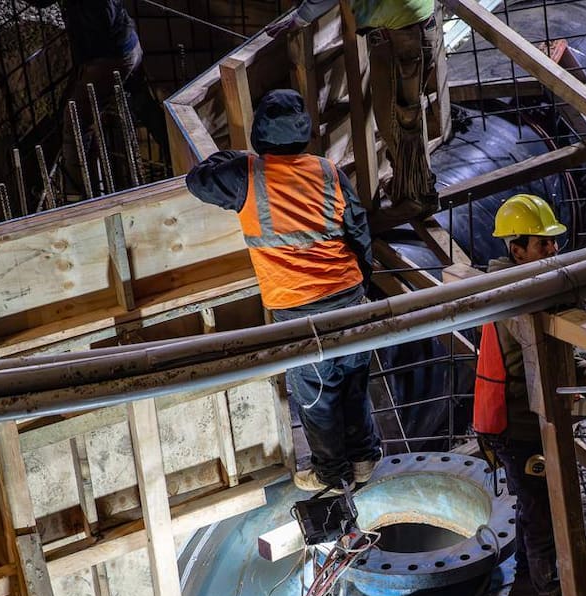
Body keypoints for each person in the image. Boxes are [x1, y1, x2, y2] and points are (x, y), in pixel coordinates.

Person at [185, 89, 381, 492]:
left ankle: (330, 472)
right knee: (354, 382)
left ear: (260, 132)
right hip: (348, 296)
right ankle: (364, 459)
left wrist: (240, 157)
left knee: (317, 396)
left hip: (297, 309)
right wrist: (361, 279)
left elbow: (197, 179)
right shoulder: (327, 170)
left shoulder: (247, 175)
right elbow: (358, 230)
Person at [475, 193, 586, 596]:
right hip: (521, 426)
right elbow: (540, 359)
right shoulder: (517, 300)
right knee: (544, 517)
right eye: (542, 244)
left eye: (554, 242)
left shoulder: (527, 288)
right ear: (516, 250)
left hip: (521, 420)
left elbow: (556, 357)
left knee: (536, 511)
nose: (554, 250)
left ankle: (527, 588)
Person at [267, 0, 449, 220]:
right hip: (410, 27)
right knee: (400, 118)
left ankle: (417, 200)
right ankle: (409, 189)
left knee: (398, 121)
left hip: (403, 35)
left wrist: (300, 18)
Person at [27, 0, 169, 192]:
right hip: (126, 43)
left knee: (76, 122)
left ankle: (76, 198)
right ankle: (175, 152)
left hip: (109, 57)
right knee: (142, 103)